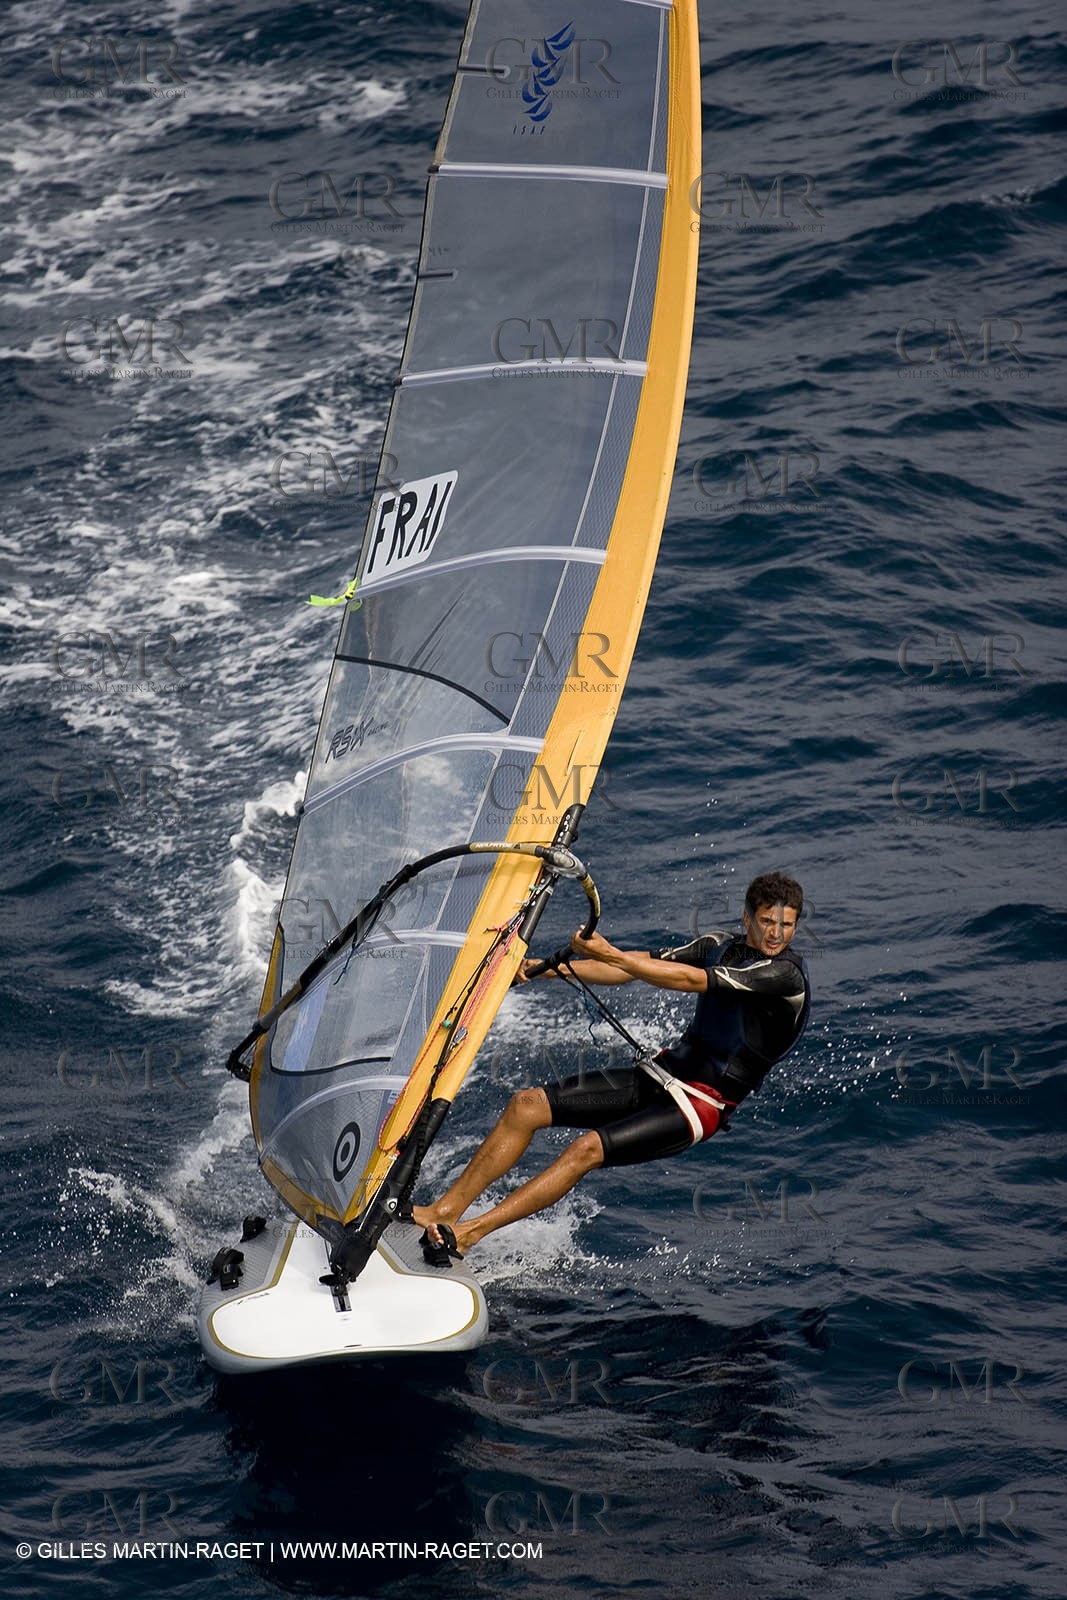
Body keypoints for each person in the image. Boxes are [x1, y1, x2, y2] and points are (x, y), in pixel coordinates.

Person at [413, 871, 810, 1263]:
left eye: (786, 925)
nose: (775, 933)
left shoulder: (785, 976)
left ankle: (468, 1234)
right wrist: (542, 969)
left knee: (585, 1149)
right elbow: (632, 967)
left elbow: (691, 981)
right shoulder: (720, 945)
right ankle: (443, 1211)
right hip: (661, 1074)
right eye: (766, 921)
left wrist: (612, 955)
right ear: (747, 918)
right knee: (526, 1106)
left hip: (697, 1105)